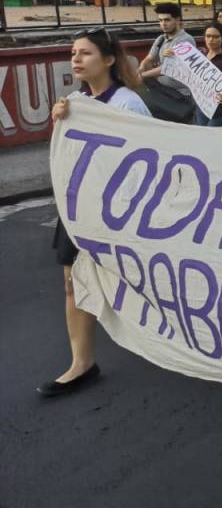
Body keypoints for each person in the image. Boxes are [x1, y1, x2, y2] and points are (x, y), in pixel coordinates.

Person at [41, 29, 151, 397]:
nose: (76, 58)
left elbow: (147, 159)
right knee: (73, 282)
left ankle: (174, 339)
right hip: (76, 208)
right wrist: (60, 123)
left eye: (85, 53)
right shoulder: (74, 101)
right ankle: (81, 363)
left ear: (107, 60)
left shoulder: (127, 105)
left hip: (115, 212)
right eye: (73, 52)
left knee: (140, 278)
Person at [137, 2, 197, 122]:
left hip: (180, 96)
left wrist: (141, 75)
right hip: (161, 92)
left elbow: (168, 67)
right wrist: (141, 69)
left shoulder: (185, 41)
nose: (163, 24)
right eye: (160, 20)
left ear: (177, 19)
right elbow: (149, 58)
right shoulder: (161, 39)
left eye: (167, 20)